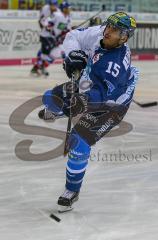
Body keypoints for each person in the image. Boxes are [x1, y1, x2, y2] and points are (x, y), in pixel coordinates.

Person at [39, 12, 139, 212]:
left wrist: (78, 102)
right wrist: (73, 55)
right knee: (49, 98)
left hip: (111, 104)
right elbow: (72, 37)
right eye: (108, 25)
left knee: (79, 141)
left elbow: (98, 98)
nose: (108, 30)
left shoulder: (114, 66)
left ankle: (71, 190)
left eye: (115, 29)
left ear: (124, 37)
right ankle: (61, 111)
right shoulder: (100, 33)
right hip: (90, 84)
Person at [31, 1, 71, 76]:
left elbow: (65, 29)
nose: (68, 10)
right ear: (63, 9)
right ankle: (39, 67)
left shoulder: (68, 18)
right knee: (48, 53)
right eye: (66, 9)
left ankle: (38, 67)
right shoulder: (56, 15)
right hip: (46, 36)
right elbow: (46, 22)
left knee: (53, 54)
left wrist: (69, 30)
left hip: (54, 38)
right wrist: (49, 27)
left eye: (69, 9)